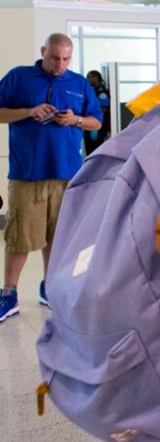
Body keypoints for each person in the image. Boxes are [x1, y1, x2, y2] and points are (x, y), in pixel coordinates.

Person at [0, 34, 102, 323]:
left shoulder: (80, 84)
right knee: (20, 236)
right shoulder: (19, 78)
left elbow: (96, 120)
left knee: (59, 237)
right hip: (28, 173)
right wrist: (28, 112)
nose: (60, 64)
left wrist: (76, 120)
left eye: (66, 59)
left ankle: (50, 288)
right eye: (55, 57)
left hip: (68, 174)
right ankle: (9, 294)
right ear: (43, 51)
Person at [84, 69, 111, 154]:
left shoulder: (101, 91)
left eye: (89, 77)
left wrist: (97, 124)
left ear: (96, 77)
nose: (87, 79)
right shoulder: (92, 89)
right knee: (89, 148)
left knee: (95, 148)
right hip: (90, 122)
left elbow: (103, 108)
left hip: (98, 124)